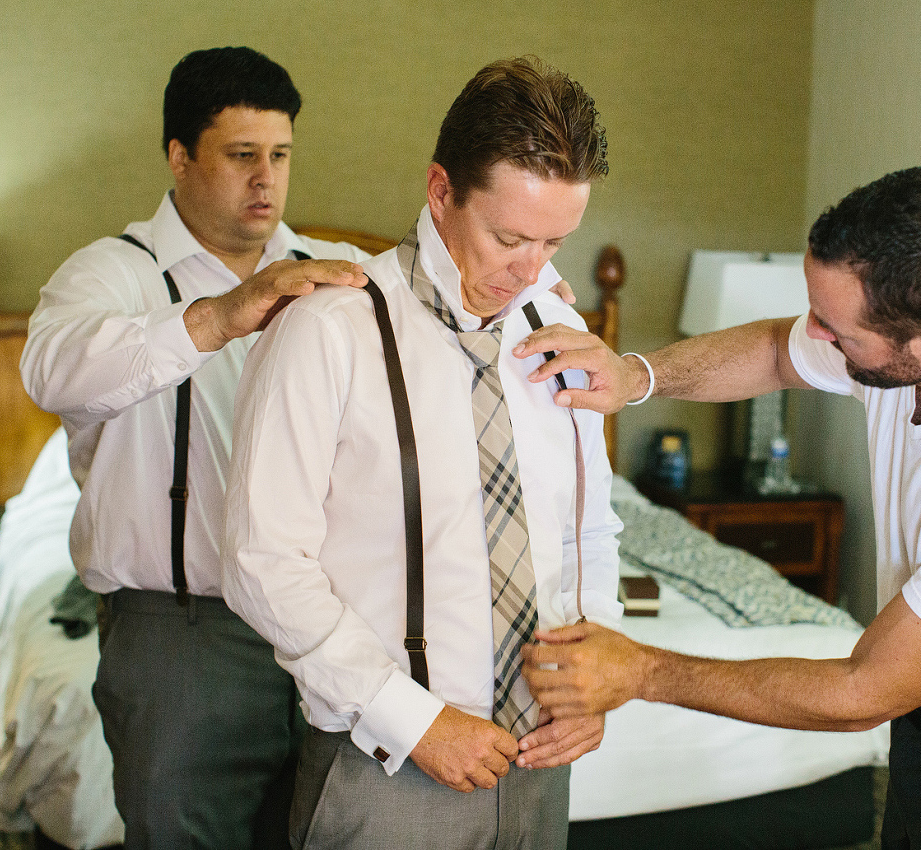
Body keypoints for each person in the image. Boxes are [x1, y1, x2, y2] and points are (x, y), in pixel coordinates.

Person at [518, 167, 921, 849]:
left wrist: (641, 669)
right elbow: (774, 351)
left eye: (837, 330)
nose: (815, 332)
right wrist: (637, 376)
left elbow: (860, 691)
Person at [221, 56, 622, 850]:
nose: (531, 270)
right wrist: (415, 719)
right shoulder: (327, 329)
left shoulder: (561, 334)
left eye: (554, 241)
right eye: (508, 236)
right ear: (441, 191)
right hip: (390, 765)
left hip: (544, 760)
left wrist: (597, 678)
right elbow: (260, 559)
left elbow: (589, 529)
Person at [20, 46, 373, 849]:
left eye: (279, 155)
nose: (266, 180)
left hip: (334, 625)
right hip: (181, 635)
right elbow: (50, 371)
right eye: (242, 155)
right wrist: (219, 315)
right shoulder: (109, 273)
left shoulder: (342, 274)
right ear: (179, 157)